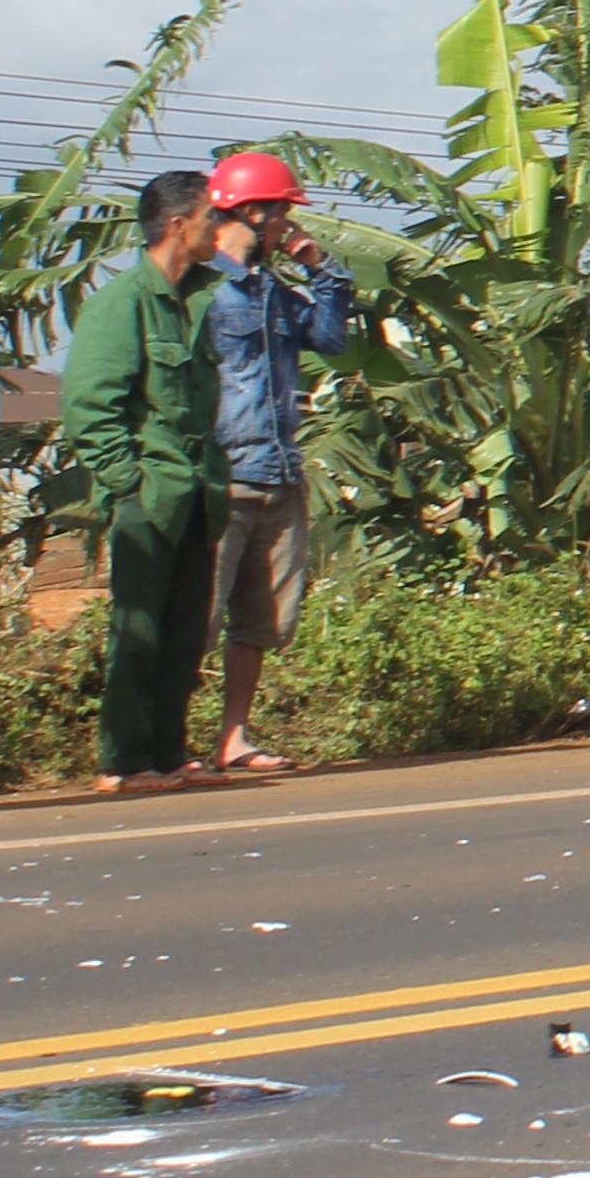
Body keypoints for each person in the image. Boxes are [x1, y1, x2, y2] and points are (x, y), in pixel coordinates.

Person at [64, 167, 229, 795]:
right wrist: (126, 481)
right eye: (213, 216)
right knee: (136, 632)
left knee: (185, 633)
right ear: (179, 224)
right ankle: (123, 762)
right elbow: (88, 405)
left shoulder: (200, 298)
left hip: (196, 492)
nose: (221, 228)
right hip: (147, 495)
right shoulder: (122, 303)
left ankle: (167, 753)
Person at [195, 150, 350, 777]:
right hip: (221, 479)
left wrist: (321, 269)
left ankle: (233, 737)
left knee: (261, 622)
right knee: (198, 619)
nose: (290, 224)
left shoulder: (277, 294)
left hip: (280, 476)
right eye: (283, 211)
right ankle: (167, 743)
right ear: (253, 211)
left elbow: (332, 340)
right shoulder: (202, 289)